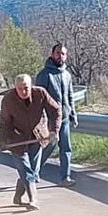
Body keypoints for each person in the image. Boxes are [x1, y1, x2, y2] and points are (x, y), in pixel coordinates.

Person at [0, 73, 61, 209]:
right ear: (15, 88)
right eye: (19, 88)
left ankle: (17, 196)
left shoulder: (40, 93)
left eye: (26, 87)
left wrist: (53, 131)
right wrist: (2, 141)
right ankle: (34, 199)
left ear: (31, 85)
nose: (23, 91)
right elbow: (4, 123)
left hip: (37, 138)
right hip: (17, 140)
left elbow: (55, 110)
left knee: (32, 170)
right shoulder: (8, 100)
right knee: (25, 170)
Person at [35, 42, 78, 185]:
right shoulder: (44, 75)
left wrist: (73, 114)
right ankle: (33, 173)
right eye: (58, 53)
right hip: (49, 119)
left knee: (66, 148)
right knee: (48, 147)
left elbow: (70, 96)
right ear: (52, 54)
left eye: (63, 53)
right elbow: (38, 99)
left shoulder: (67, 75)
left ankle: (65, 177)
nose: (60, 56)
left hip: (64, 119)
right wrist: (41, 120)